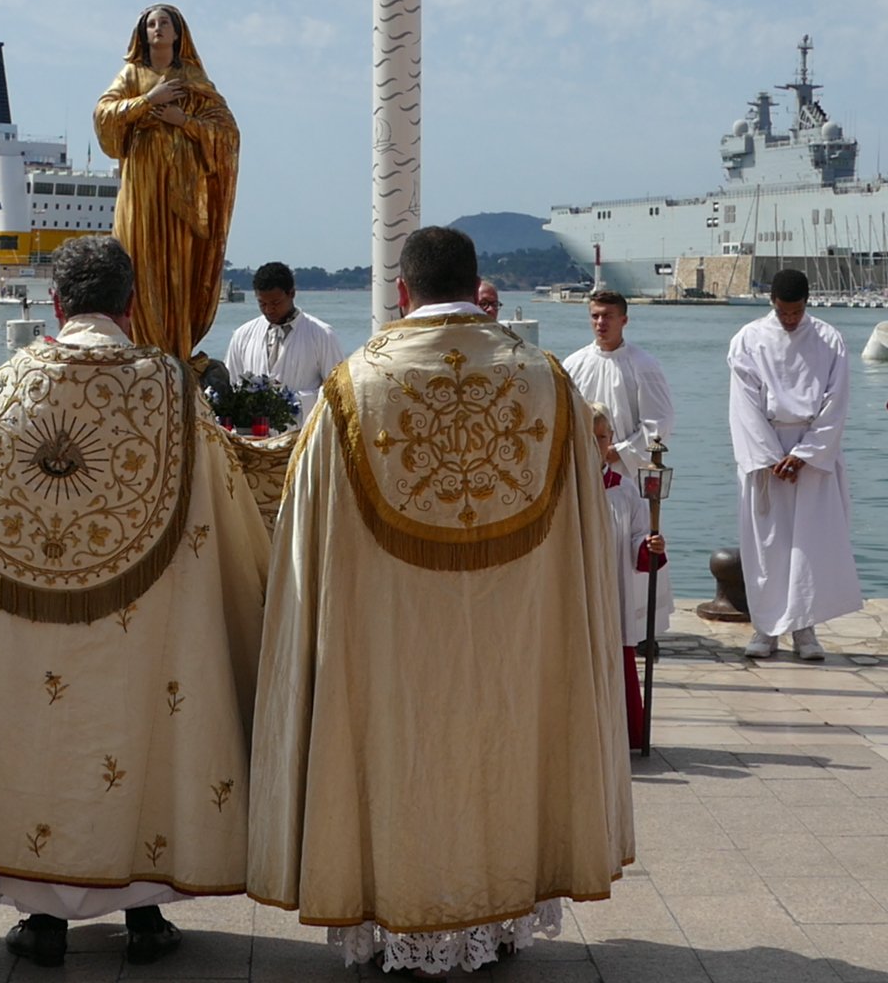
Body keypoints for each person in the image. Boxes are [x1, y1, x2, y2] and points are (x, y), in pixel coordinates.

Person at [249, 226, 632, 976]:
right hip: (514, 639)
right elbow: (586, 534)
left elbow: (305, 533)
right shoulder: (548, 382)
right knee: (503, 747)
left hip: (386, 642)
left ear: (403, 292)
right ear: (474, 283)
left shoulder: (352, 387)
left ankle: (387, 908)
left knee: (398, 753)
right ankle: (502, 908)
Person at [0, 235, 268, 969]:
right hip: (147, 627)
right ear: (131, 304)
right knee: (143, 732)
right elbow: (225, 504)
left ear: (55, 303)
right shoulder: (169, 390)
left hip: (21, 630)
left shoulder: (1, 388)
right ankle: (143, 914)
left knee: (37, 737)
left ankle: (43, 920)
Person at [726, 269, 864, 660]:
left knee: (810, 543)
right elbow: (744, 404)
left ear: (807, 304)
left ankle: (805, 629)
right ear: (772, 303)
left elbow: (836, 401)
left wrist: (805, 454)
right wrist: (771, 456)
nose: (790, 319)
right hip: (766, 451)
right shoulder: (748, 339)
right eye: (784, 311)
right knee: (767, 544)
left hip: (812, 450)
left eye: (796, 312)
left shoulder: (828, 339)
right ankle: (765, 627)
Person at [94, 4, 240, 359]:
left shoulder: (192, 78)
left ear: (177, 33)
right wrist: (147, 101)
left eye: (164, 23)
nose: (157, 28)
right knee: (139, 259)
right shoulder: (131, 75)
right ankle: (140, 346)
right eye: (151, 24)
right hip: (141, 184)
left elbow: (227, 133)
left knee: (176, 265)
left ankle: (175, 352)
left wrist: (183, 121)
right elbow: (103, 115)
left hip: (181, 190)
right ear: (142, 33)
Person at [592, 402, 666, 751]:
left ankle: (623, 731)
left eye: (601, 437)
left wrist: (649, 546)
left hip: (613, 589)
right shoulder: (565, 490)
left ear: (611, 441)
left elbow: (637, 535)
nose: (595, 444)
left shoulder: (623, 489)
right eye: (588, 437)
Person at [563, 290, 677, 486]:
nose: (600, 322)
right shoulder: (573, 364)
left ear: (624, 320)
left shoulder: (644, 365)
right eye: (595, 316)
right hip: (581, 469)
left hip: (626, 474)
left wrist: (620, 452)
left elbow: (659, 422)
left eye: (608, 316)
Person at [223, 261, 344, 420]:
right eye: (262, 303)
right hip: (253, 432)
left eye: (275, 303)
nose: (269, 310)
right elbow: (231, 387)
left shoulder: (322, 335)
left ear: (292, 293)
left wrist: (298, 400)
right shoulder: (242, 335)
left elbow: (338, 393)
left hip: (304, 432)